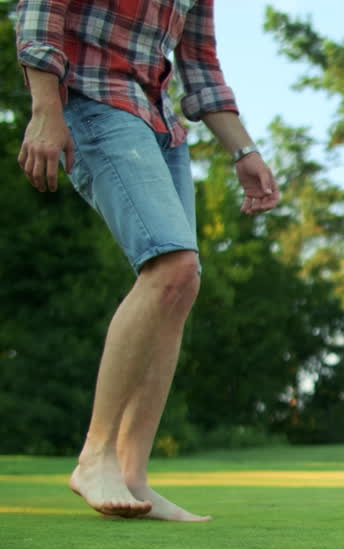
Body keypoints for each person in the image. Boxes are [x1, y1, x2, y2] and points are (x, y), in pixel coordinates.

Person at [15, 0, 280, 521]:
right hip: (92, 100)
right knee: (171, 265)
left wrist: (243, 151)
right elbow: (39, 10)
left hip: (160, 125)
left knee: (182, 284)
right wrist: (45, 108)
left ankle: (132, 475)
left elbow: (201, 68)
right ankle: (95, 455)